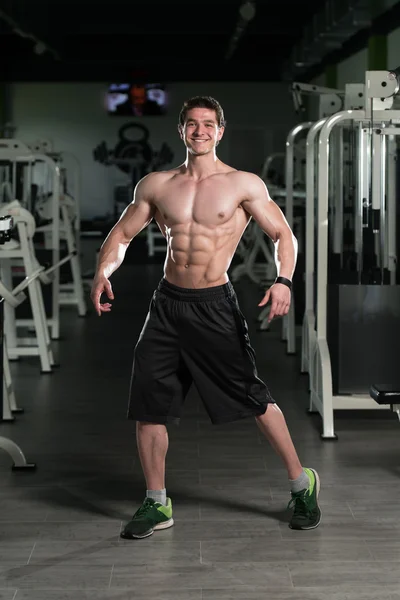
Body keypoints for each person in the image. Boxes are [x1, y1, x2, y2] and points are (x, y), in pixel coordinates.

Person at [91, 96, 321, 540]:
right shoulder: (156, 185)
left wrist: (284, 281)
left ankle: (301, 483)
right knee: (148, 404)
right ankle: (157, 503)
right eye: (192, 124)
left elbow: (282, 235)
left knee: (253, 397)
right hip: (166, 305)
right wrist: (103, 270)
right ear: (181, 130)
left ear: (221, 131)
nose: (200, 131)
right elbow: (121, 234)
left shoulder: (242, 184)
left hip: (214, 305)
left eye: (208, 124)